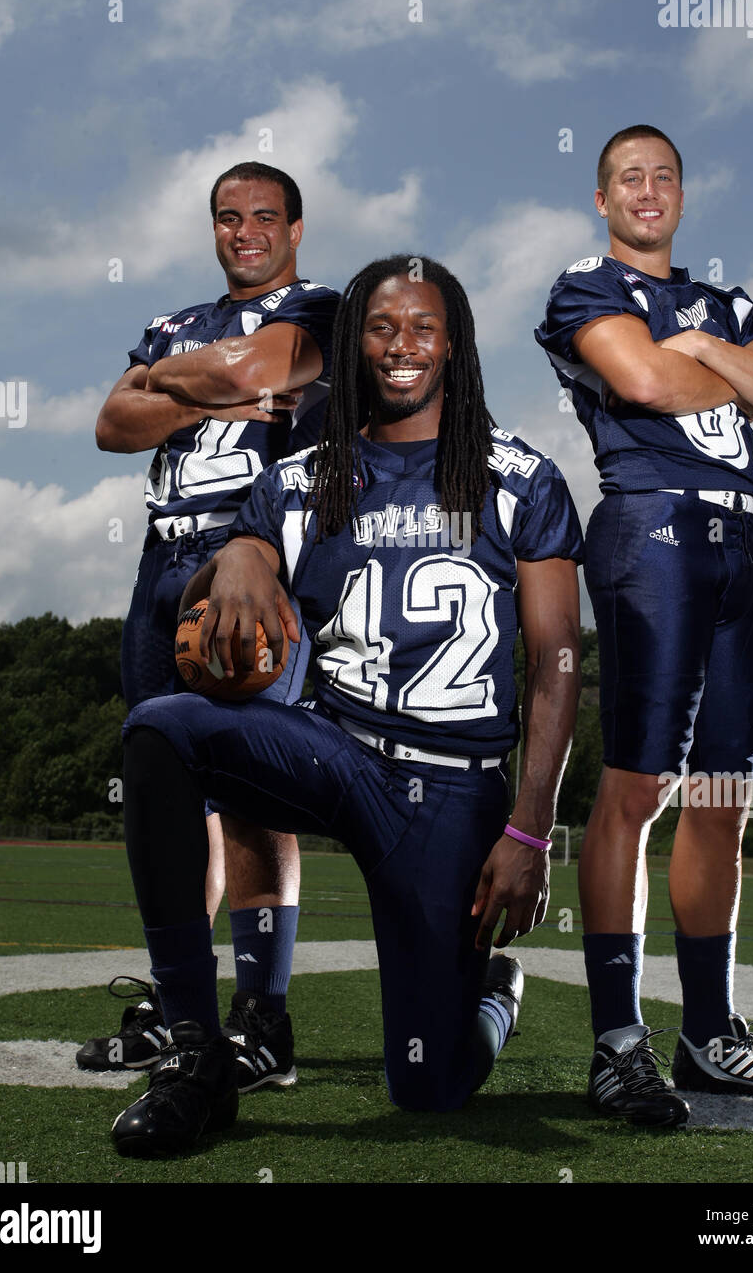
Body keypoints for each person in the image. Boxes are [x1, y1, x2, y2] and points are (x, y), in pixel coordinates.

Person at [109, 254, 584, 1156]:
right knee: (161, 727)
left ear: (455, 344)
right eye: (379, 326)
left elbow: (556, 662)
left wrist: (529, 832)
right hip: (341, 757)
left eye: (423, 327)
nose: (401, 346)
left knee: (428, 1087)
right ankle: (195, 1052)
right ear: (350, 343)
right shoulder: (298, 479)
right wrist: (241, 555)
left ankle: (491, 995)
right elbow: (221, 593)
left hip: (454, 793)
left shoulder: (519, 476)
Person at [536, 125, 753, 1127]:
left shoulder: (723, 303)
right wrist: (727, 370)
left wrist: (708, 343)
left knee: (724, 794)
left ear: (681, 192)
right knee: (635, 786)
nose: (648, 189)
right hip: (652, 530)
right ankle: (618, 1040)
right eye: (629, 176)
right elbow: (644, 384)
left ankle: (708, 1032)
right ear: (602, 196)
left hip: (741, 545)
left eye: (664, 176)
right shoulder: (584, 287)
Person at [83, 163, 339, 1091]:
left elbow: (265, 367)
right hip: (159, 561)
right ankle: (176, 1003)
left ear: (295, 227)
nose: (245, 232)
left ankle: (262, 1016)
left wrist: (186, 388)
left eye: (264, 217)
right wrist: (212, 391)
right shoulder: (172, 324)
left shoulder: (319, 307)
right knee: (163, 784)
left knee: (251, 792)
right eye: (229, 218)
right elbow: (115, 423)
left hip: (247, 554)